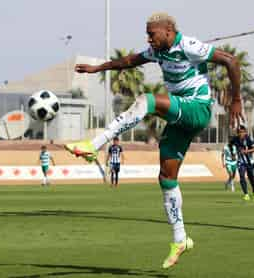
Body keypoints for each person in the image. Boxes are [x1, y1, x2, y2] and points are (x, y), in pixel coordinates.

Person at [64, 12, 242, 269]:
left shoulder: (188, 45)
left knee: (147, 100)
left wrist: (235, 100)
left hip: (197, 108)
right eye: (147, 34)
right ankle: (180, 239)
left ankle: (94, 144)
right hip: (180, 116)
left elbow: (231, 61)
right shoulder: (157, 51)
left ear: (168, 31)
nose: (148, 38)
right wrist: (96, 68)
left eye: (152, 33)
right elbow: (129, 61)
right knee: (166, 178)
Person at [231, 125, 254, 201]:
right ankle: (246, 194)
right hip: (241, 162)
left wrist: (247, 151)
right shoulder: (235, 139)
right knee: (242, 176)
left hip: (250, 162)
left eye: (242, 132)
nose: (240, 134)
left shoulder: (249, 139)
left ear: (245, 132)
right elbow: (231, 146)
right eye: (239, 132)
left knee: (251, 179)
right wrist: (233, 155)